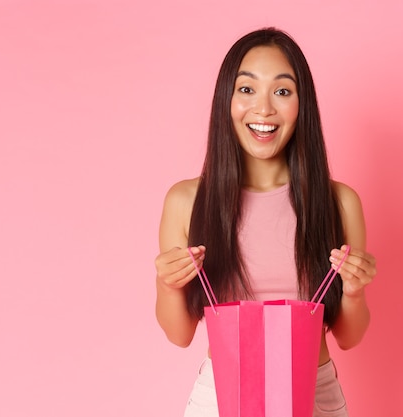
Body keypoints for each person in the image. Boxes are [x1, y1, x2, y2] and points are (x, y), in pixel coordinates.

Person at [154, 27, 377, 417]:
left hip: (315, 393)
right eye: (246, 89)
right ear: (226, 99)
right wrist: (168, 284)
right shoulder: (186, 201)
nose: (263, 109)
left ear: (301, 104)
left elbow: (350, 335)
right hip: (222, 394)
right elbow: (179, 334)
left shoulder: (339, 202)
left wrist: (355, 292)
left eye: (282, 91)